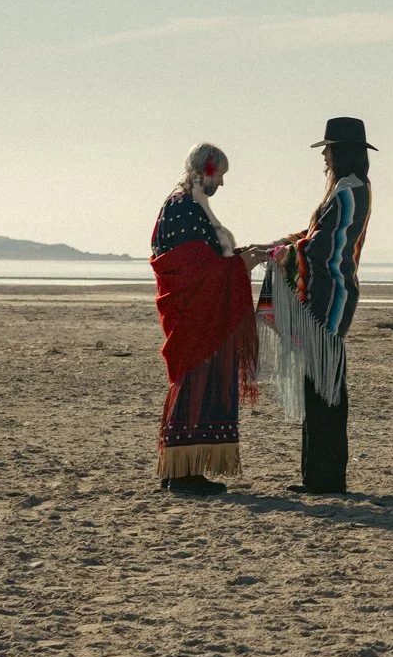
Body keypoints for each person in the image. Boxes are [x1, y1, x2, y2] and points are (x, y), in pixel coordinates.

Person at [263, 117, 374, 495]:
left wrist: (280, 254)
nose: (324, 157)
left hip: (329, 301)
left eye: (328, 150)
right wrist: (275, 246)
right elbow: (313, 236)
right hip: (328, 300)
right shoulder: (347, 189)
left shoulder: (349, 192)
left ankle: (325, 478)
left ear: (341, 153)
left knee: (324, 389)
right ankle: (319, 475)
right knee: (321, 388)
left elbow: (322, 247)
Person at [149, 143, 265, 495]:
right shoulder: (183, 208)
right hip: (196, 316)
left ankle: (180, 469)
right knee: (196, 384)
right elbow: (192, 270)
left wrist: (239, 258)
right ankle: (184, 475)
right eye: (221, 175)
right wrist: (239, 265)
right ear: (207, 171)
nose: (222, 183)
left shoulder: (187, 206)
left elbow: (205, 261)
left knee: (195, 385)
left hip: (199, 312)